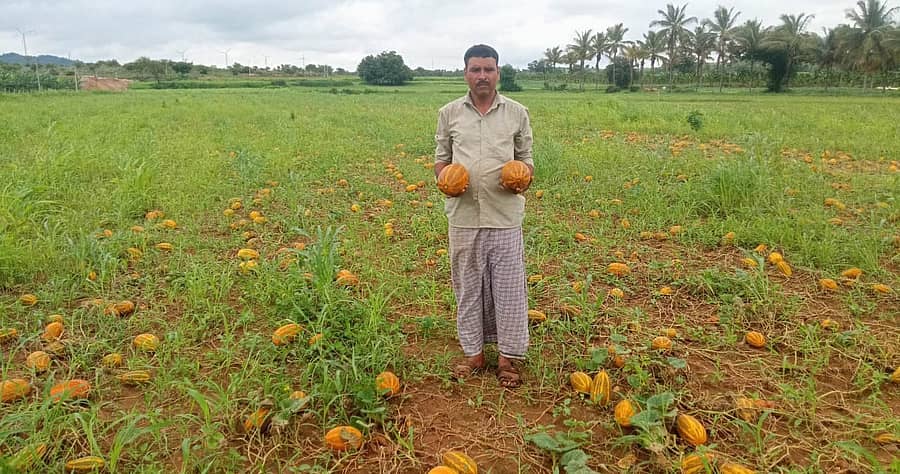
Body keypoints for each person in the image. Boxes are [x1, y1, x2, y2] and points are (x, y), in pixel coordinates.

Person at [433, 44, 534, 388]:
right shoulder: (449, 113)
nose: (482, 76)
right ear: (465, 73)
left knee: (509, 289)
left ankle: (508, 359)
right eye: (475, 69)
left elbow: (526, 159)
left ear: (497, 73)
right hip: (463, 215)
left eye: (488, 69)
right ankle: (473, 353)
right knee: (468, 288)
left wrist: (523, 177)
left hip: (504, 214)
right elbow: (441, 158)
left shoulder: (517, 112)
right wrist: (445, 180)